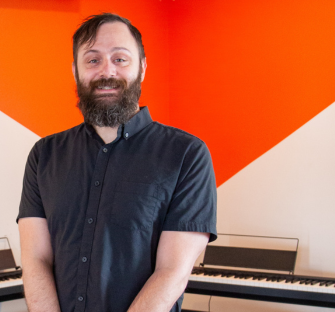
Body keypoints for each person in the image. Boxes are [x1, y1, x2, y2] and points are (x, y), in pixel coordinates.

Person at [17, 13, 217, 312]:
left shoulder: (187, 155)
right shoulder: (44, 155)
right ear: (76, 71)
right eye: (93, 60)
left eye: (120, 59)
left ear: (142, 67)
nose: (106, 71)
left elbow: (172, 272)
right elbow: (36, 260)